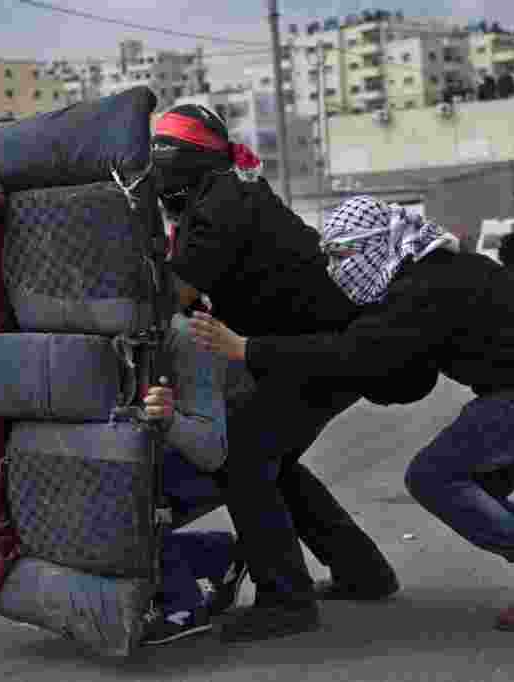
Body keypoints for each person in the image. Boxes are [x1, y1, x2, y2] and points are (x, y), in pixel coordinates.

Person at [189, 195, 514, 631]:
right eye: (329, 258)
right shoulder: (430, 275)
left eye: (343, 256)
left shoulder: (421, 289)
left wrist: (249, 350)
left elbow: (356, 352)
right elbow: (406, 375)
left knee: (432, 477)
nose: (335, 270)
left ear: (377, 245)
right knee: (479, 500)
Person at [0, 178, 248, 650]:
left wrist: (168, 418)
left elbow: (215, 453)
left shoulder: (183, 338)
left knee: (107, 497)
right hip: (128, 463)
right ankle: (213, 556)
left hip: (191, 465)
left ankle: (179, 605)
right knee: (57, 496)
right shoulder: (67, 337)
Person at [150, 104, 434, 642]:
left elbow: (174, 294)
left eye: (163, 155)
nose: (158, 167)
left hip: (323, 351)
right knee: (272, 462)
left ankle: (286, 599)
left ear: (185, 160)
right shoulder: (224, 194)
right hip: (321, 346)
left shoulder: (220, 204)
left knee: (243, 456)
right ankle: (362, 570)